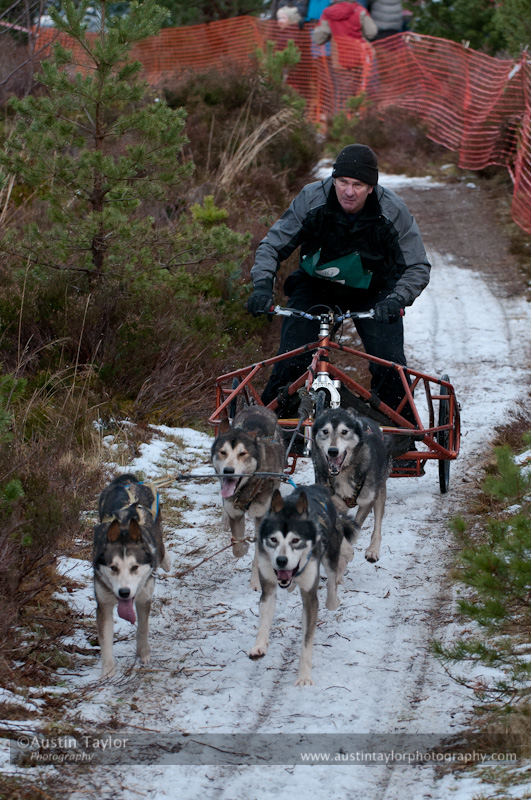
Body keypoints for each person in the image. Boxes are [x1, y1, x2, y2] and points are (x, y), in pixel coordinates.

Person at [246, 143, 431, 424]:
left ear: (371, 187)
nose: (348, 191)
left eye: (358, 184)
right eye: (342, 182)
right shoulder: (312, 199)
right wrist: (261, 286)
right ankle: (274, 427)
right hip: (316, 286)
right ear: (334, 180)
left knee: (389, 363)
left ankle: (397, 436)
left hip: (375, 293)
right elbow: (272, 245)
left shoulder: (392, 210)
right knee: (292, 357)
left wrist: (397, 299)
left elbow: (417, 266)